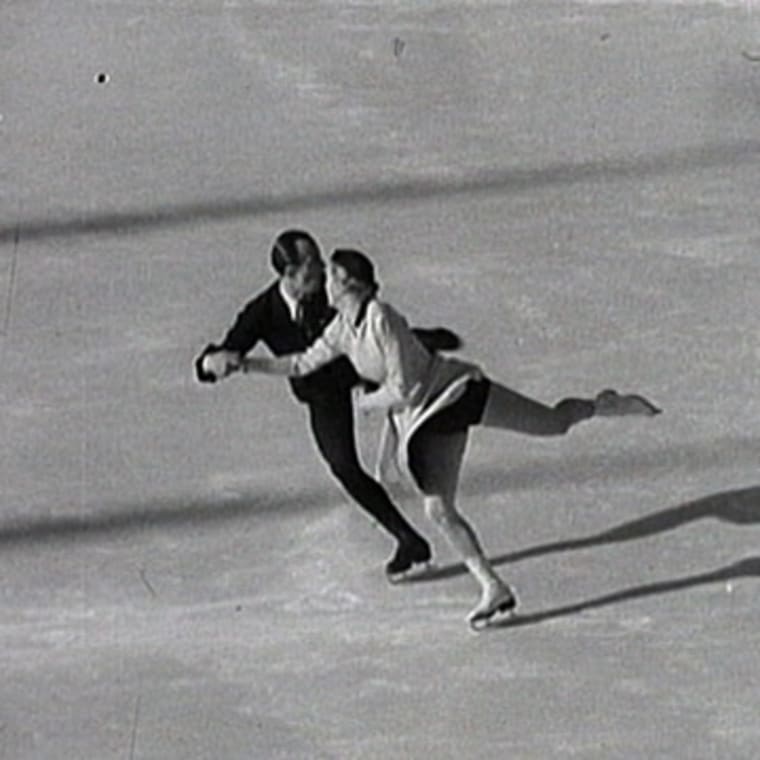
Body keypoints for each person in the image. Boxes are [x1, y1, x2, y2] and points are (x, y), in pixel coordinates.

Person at [219, 247, 661, 628]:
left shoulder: (383, 319)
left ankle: (601, 404)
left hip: (455, 394)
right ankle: (494, 587)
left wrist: (367, 405)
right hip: (424, 421)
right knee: (438, 509)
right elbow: (299, 364)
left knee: (553, 424)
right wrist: (245, 363)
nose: (325, 285)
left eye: (332, 276)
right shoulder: (339, 329)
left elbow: (405, 387)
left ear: (352, 284)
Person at [196, 230, 462, 581]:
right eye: (310, 266)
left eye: (320, 261)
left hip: (366, 364)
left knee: (414, 417)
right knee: (343, 466)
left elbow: (372, 316)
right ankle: (408, 540)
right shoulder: (263, 311)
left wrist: (416, 340)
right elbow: (224, 353)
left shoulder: (331, 289)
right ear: (287, 274)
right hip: (324, 392)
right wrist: (210, 363)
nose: (321, 270)